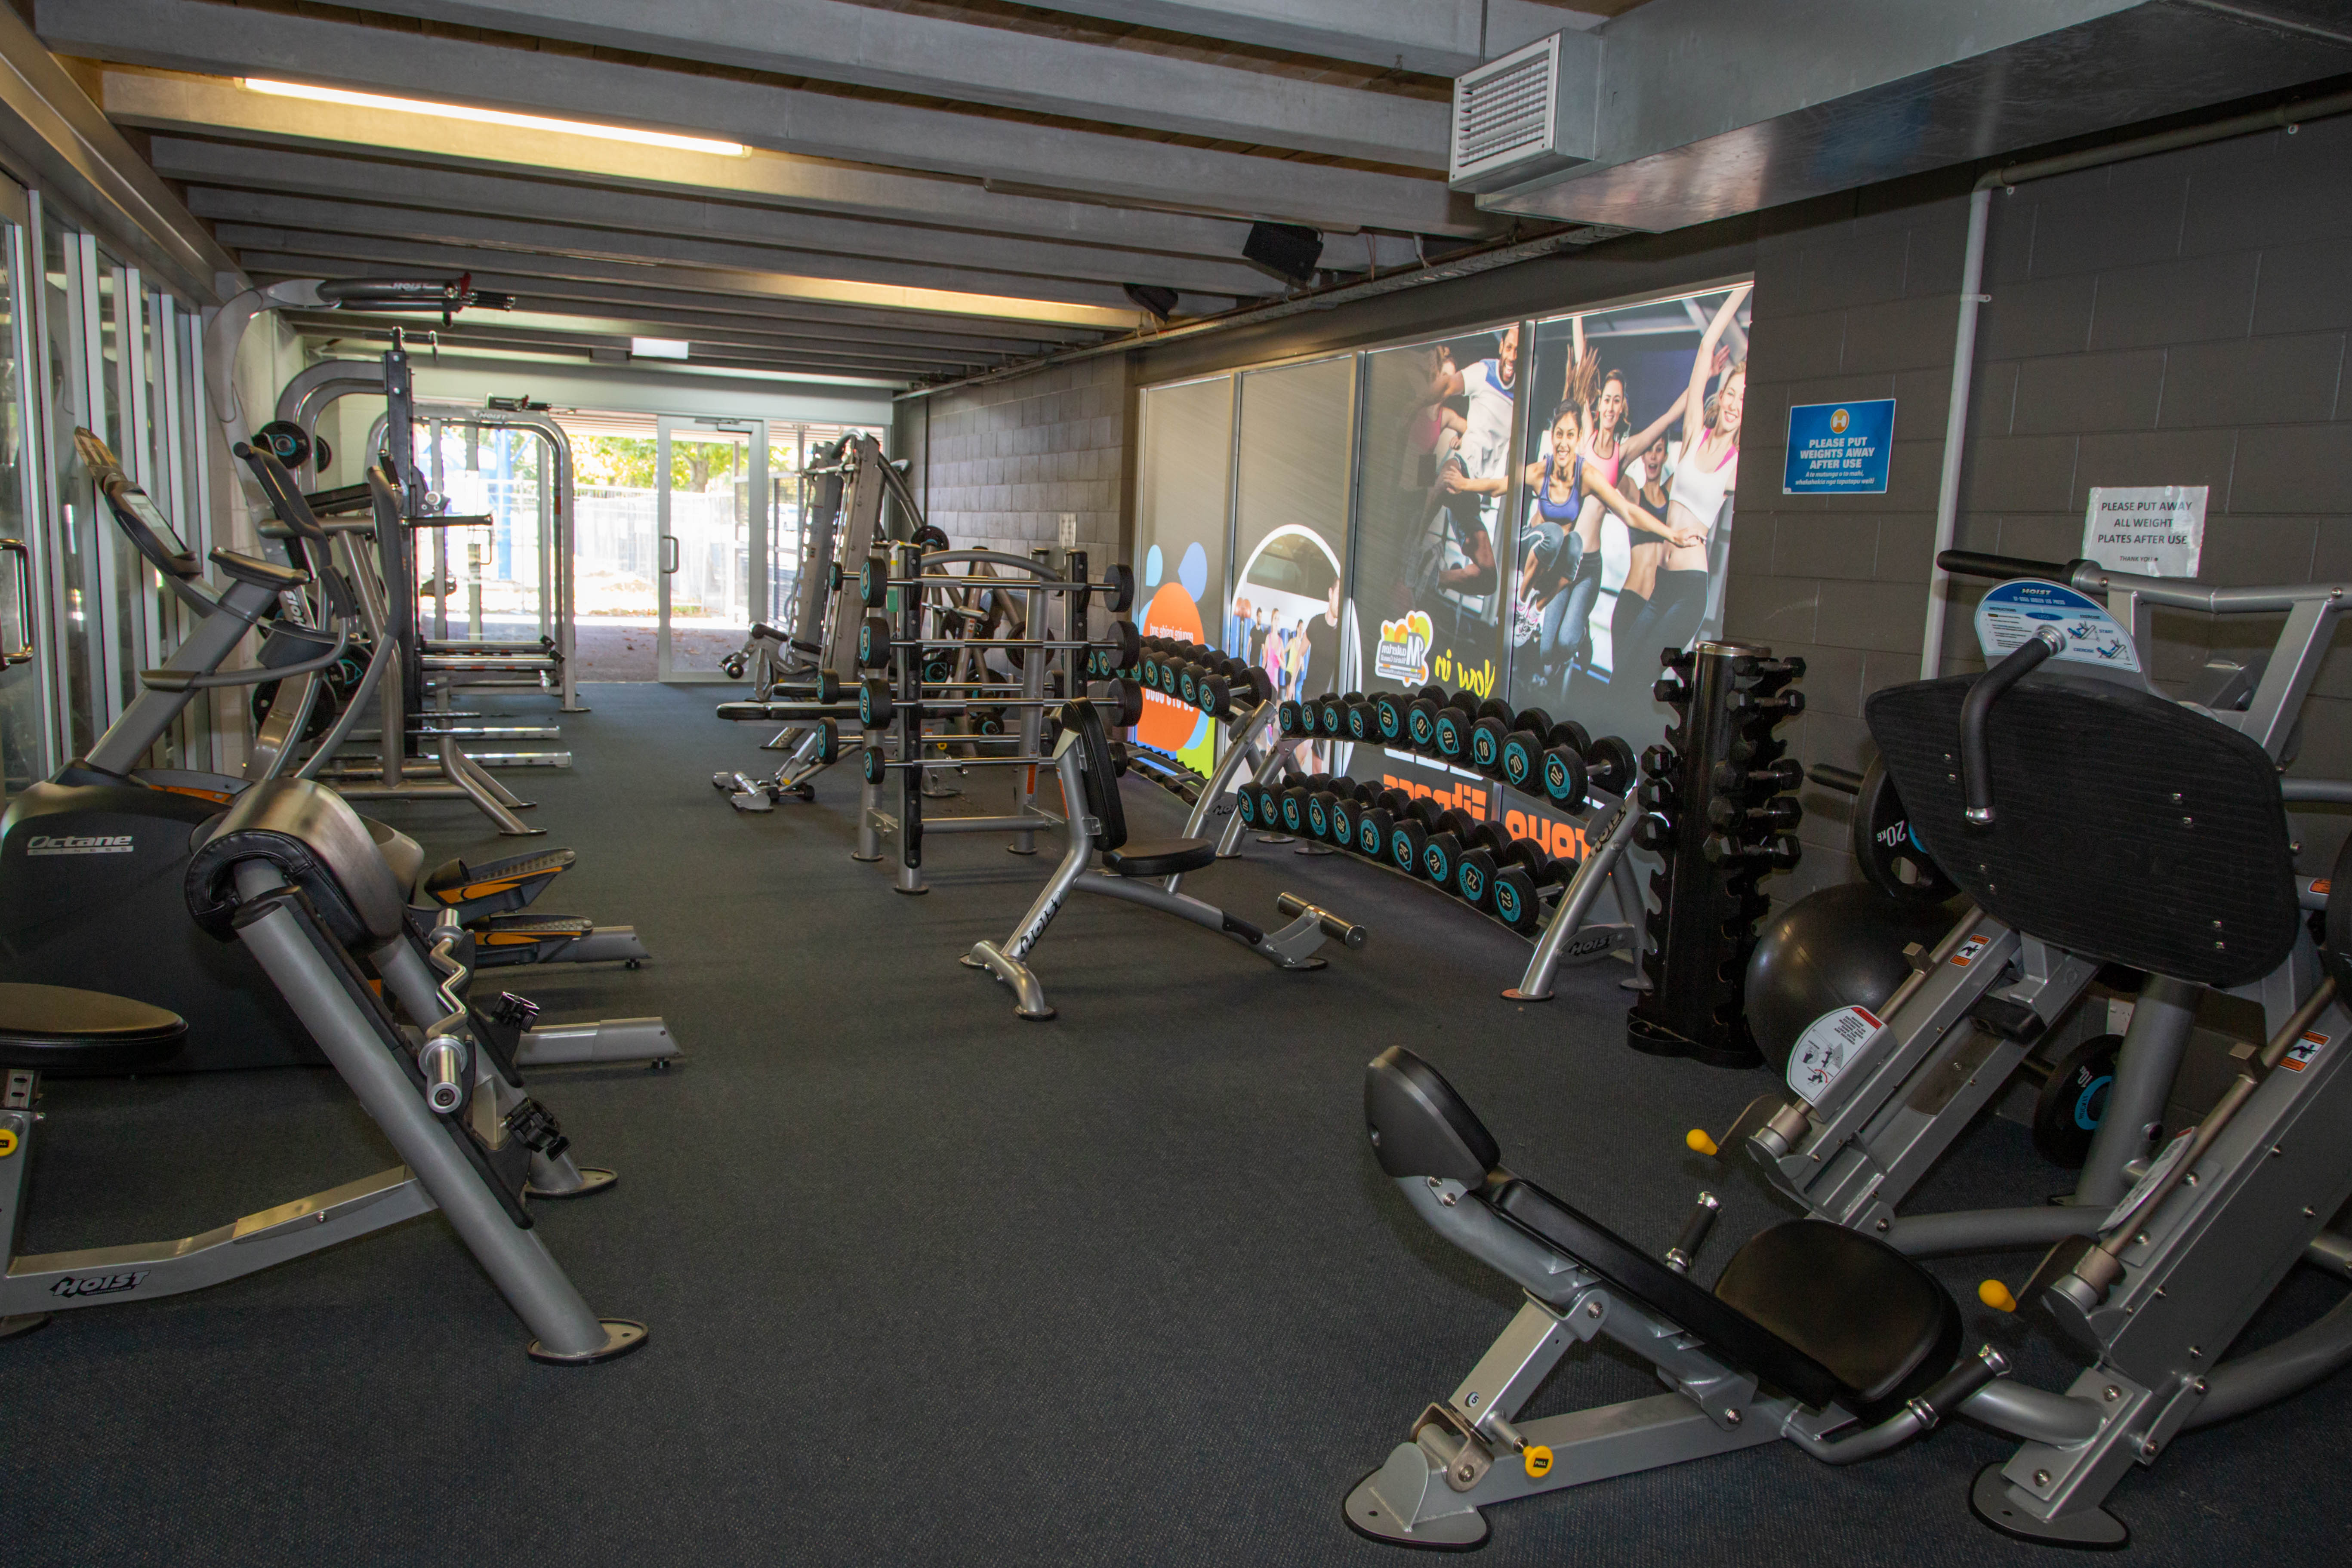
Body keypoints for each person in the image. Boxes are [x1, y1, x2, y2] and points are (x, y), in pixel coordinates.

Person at [1632, 284, 1751, 659]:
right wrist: (1742, 287)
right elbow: (1705, 347)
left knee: (1645, 669)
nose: (1734, 404)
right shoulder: (1694, 432)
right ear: (1722, 394)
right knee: (1624, 673)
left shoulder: (1736, 464)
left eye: (1744, 399)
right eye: (1731, 393)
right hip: (1661, 584)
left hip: (1689, 590)